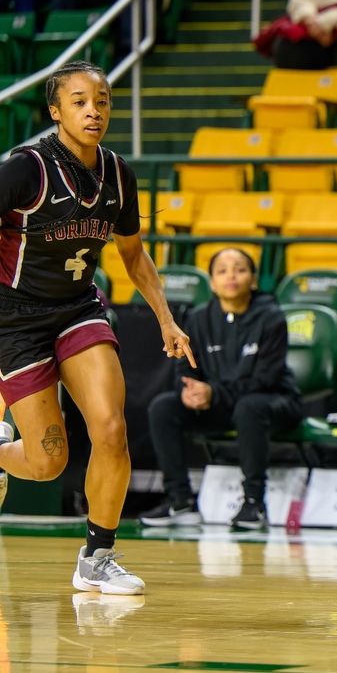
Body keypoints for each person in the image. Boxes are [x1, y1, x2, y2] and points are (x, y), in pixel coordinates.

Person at [0, 61, 194, 594]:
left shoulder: (118, 173)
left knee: (111, 428)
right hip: (14, 319)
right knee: (46, 462)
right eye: (81, 101)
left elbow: (134, 257)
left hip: (78, 308)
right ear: (56, 111)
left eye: (103, 101)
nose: (94, 111)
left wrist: (166, 319)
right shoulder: (25, 169)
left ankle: (97, 557)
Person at [138, 249, 302, 531]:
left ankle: (254, 503)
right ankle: (181, 501)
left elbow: (266, 378)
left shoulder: (271, 317)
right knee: (163, 407)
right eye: (222, 270)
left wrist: (214, 393)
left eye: (240, 269)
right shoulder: (199, 318)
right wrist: (189, 390)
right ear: (212, 282)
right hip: (220, 405)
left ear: (253, 279)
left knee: (249, 407)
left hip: (273, 401)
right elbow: (186, 368)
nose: (231, 276)